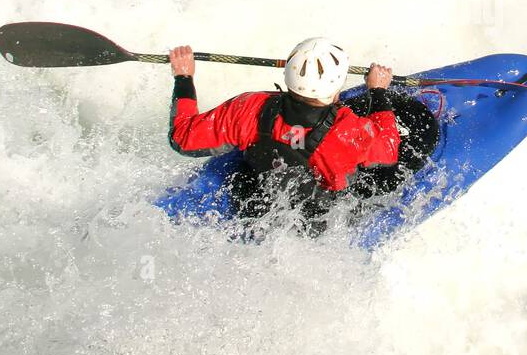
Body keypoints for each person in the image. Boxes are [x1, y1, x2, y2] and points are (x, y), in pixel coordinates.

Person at [167, 37, 400, 231]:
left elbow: (182, 138)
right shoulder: (348, 131)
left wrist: (183, 77)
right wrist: (378, 91)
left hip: (258, 203)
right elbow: (389, 149)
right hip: (319, 223)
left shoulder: (250, 107)